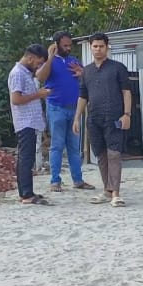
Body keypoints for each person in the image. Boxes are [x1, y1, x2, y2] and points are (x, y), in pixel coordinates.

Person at [73, 32, 132, 207]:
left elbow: (126, 92)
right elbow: (82, 96)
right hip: (94, 118)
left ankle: (116, 194)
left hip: (114, 116)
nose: (98, 49)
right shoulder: (87, 71)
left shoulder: (117, 67)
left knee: (114, 154)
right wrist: (77, 118)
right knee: (101, 155)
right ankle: (107, 190)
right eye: (95, 46)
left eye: (101, 46)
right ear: (90, 47)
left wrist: (127, 114)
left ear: (107, 47)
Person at [35, 31, 94, 193]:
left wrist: (82, 74)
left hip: (74, 109)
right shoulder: (49, 62)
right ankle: (55, 181)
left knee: (74, 147)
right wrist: (50, 57)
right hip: (56, 108)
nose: (68, 48)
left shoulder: (73, 61)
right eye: (65, 45)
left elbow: (88, 80)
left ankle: (78, 180)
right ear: (56, 45)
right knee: (57, 146)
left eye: (70, 45)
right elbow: (40, 77)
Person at [8, 44, 52, 205]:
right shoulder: (18, 74)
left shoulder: (26, 74)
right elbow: (16, 99)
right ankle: (25, 194)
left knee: (28, 158)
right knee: (25, 158)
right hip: (24, 122)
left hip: (31, 122)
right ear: (30, 57)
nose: (38, 66)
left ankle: (28, 191)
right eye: (38, 63)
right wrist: (38, 95)